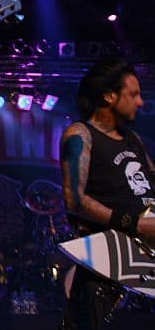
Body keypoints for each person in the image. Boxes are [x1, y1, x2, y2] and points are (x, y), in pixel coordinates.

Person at [59, 56, 155, 329]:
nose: (140, 102)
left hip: (145, 262)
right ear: (109, 96)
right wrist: (135, 223)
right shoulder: (81, 134)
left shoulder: (133, 140)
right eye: (133, 94)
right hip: (107, 269)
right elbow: (74, 201)